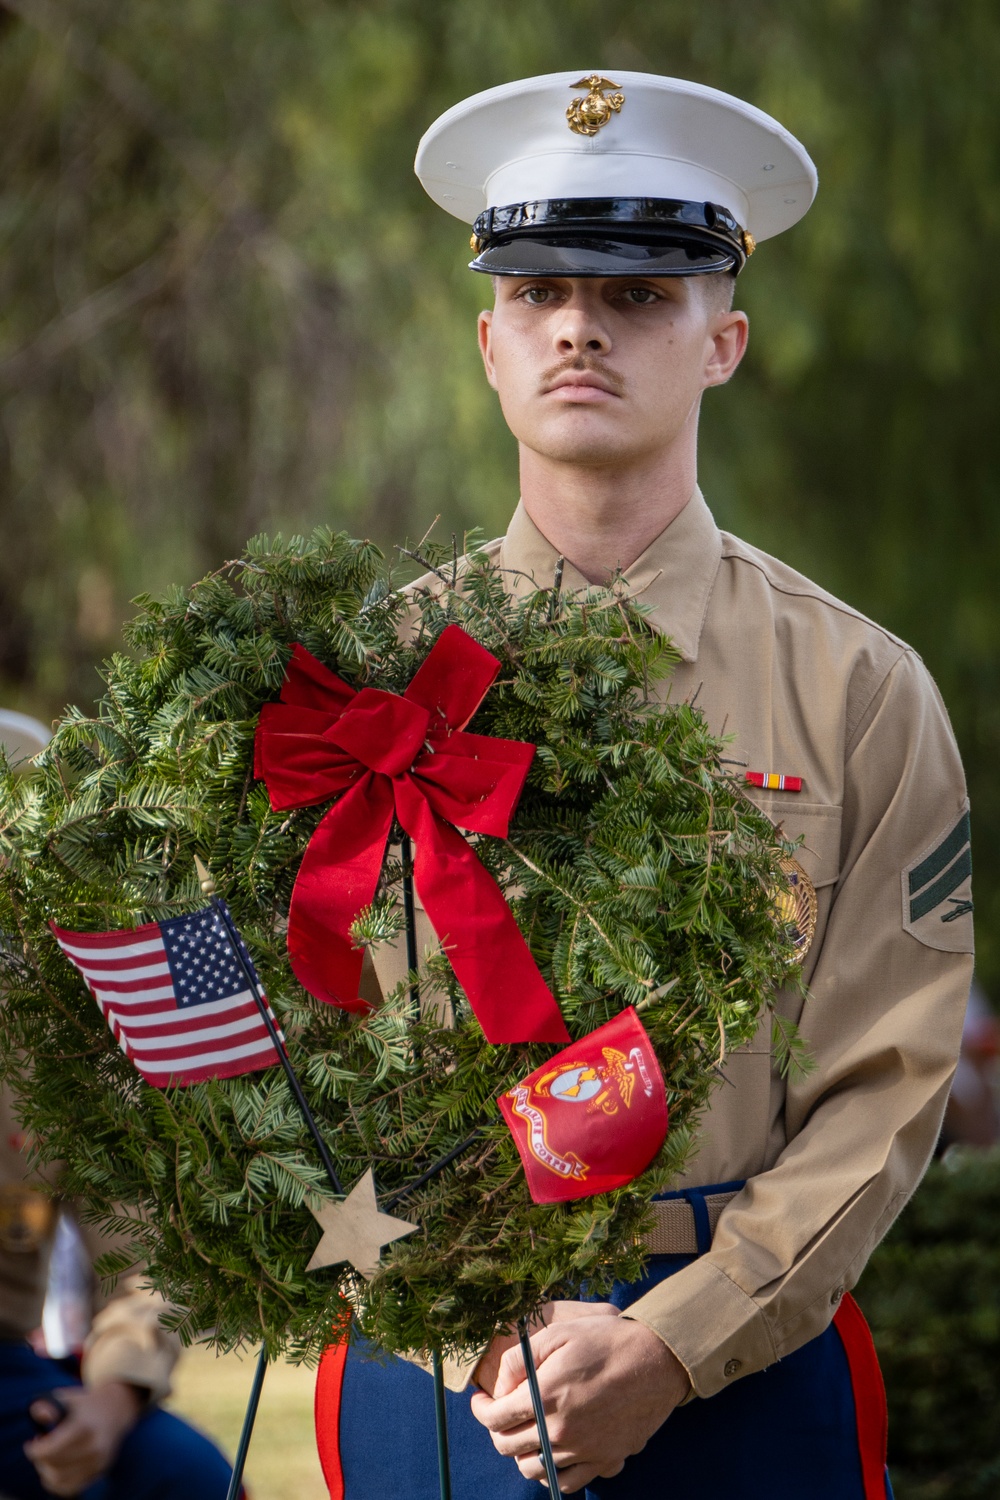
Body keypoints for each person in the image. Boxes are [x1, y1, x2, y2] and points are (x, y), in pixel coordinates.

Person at [317, 72, 973, 1498]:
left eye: (637, 298)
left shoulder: (861, 691)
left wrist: (678, 1343)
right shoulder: (351, 692)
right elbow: (286, 1044)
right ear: (487, 343)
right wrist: (463, 1321)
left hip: (741, 1373)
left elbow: (891, 1075)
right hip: (433, 1375)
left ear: (722, 342)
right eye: (539, 290)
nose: (578, 326)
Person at [0, 1085, 238, 1500]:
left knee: (185, 1471)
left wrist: (114, 1399)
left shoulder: (41, 1050)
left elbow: (145, 1267)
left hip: (7, 1371)